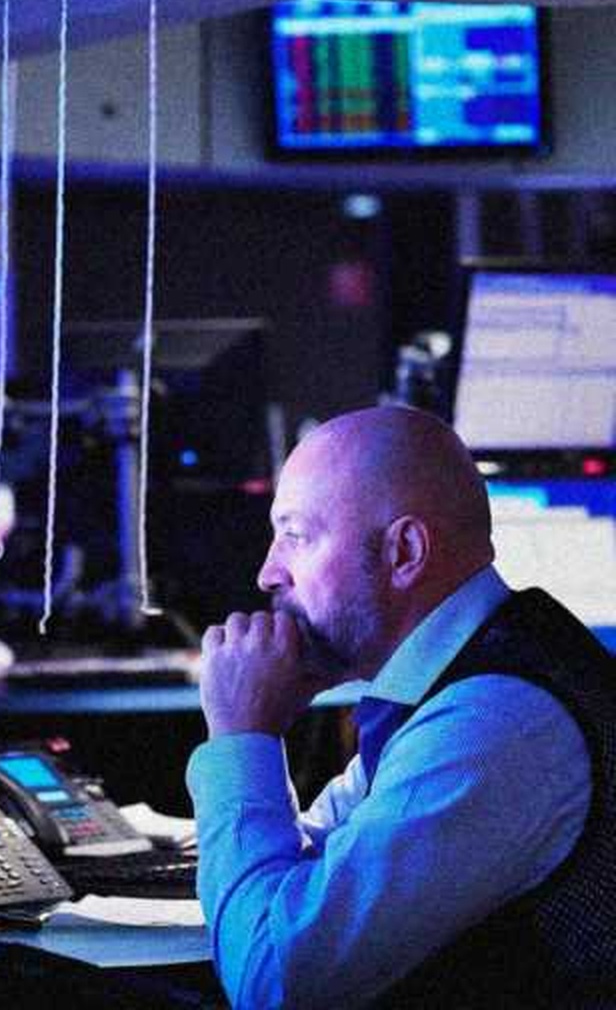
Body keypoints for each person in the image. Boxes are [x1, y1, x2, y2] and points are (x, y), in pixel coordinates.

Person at [187, 405, 615, 1009]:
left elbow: (274, 981)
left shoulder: (491, 727)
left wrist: (241, 734)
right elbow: (312, 866)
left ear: (405, 551)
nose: (267, 574)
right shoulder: (452, 681)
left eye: (296, 536)